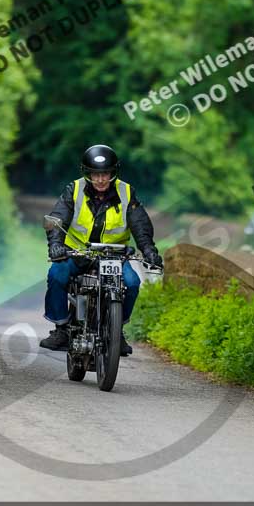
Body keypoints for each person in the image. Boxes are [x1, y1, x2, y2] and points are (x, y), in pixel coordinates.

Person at [40, 144, 163, 356]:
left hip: (114, 256)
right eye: (95, 174)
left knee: (132, 283)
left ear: (113, 173)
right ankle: (61, 329)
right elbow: (58, 217)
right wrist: (56, 245)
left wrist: (149, 250)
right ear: (87, 173)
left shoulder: (126, 192)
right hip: (78, 253)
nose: (100, 179)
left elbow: (140, 224)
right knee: (56, 274)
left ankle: (117, 332)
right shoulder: (74, 190)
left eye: (105, 174)